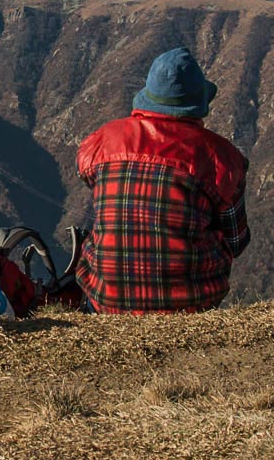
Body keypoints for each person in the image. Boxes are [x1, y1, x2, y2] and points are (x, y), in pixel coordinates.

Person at [75, 47, 249, 313]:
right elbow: (236, 241)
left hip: (106, 299)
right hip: (191, 302)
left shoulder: (102, 141)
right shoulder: (222, 158)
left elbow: (86, 173)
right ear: (198, 106)